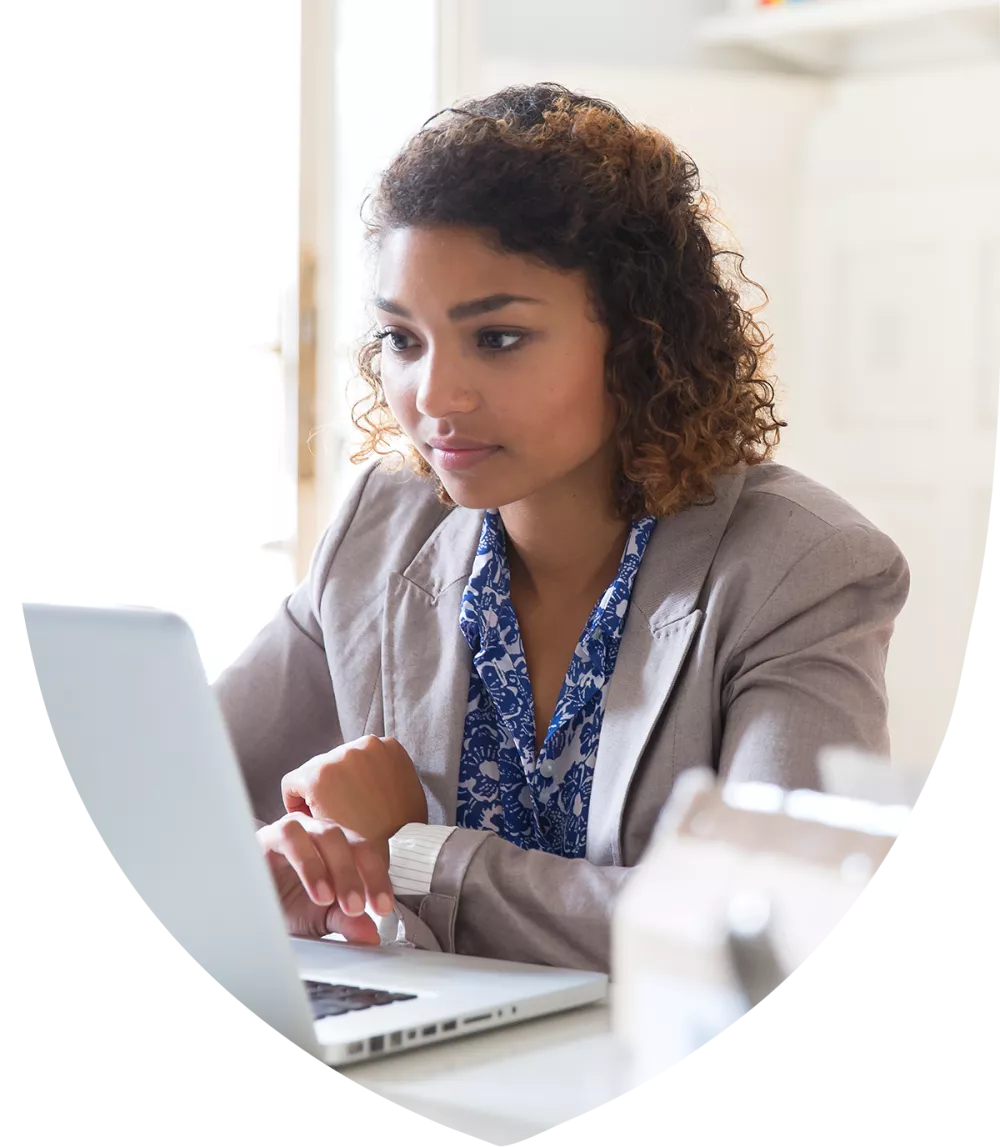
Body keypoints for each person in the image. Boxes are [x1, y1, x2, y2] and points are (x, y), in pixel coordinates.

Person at [213, 83, 909, 973]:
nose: (434, 398)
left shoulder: (801, 568)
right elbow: (172, 802)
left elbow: (770, 928)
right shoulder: (376, 532)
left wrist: (415, 851)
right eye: (402, 339)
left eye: (497, 338)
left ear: (637, 338)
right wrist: (274, 859)